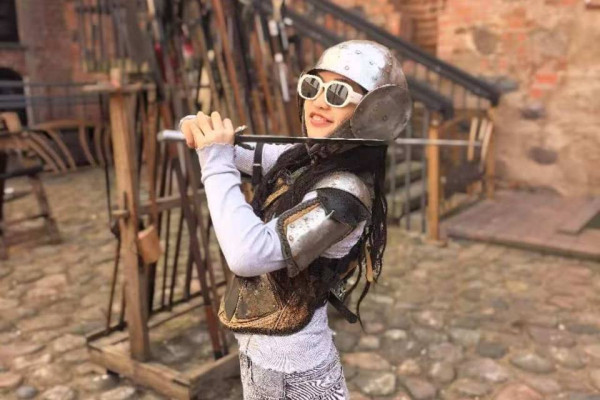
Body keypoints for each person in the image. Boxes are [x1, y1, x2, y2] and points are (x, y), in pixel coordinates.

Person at [180, 40, 411, 400]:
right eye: (312, 86)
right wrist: (199, 127)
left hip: (297, 371)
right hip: (262, 359)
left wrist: (215, 160)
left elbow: (247, 254)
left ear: (373, 112)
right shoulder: (304, 158)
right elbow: (240, 152)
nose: (319, 101)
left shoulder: (345, 194)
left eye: (338, 93)